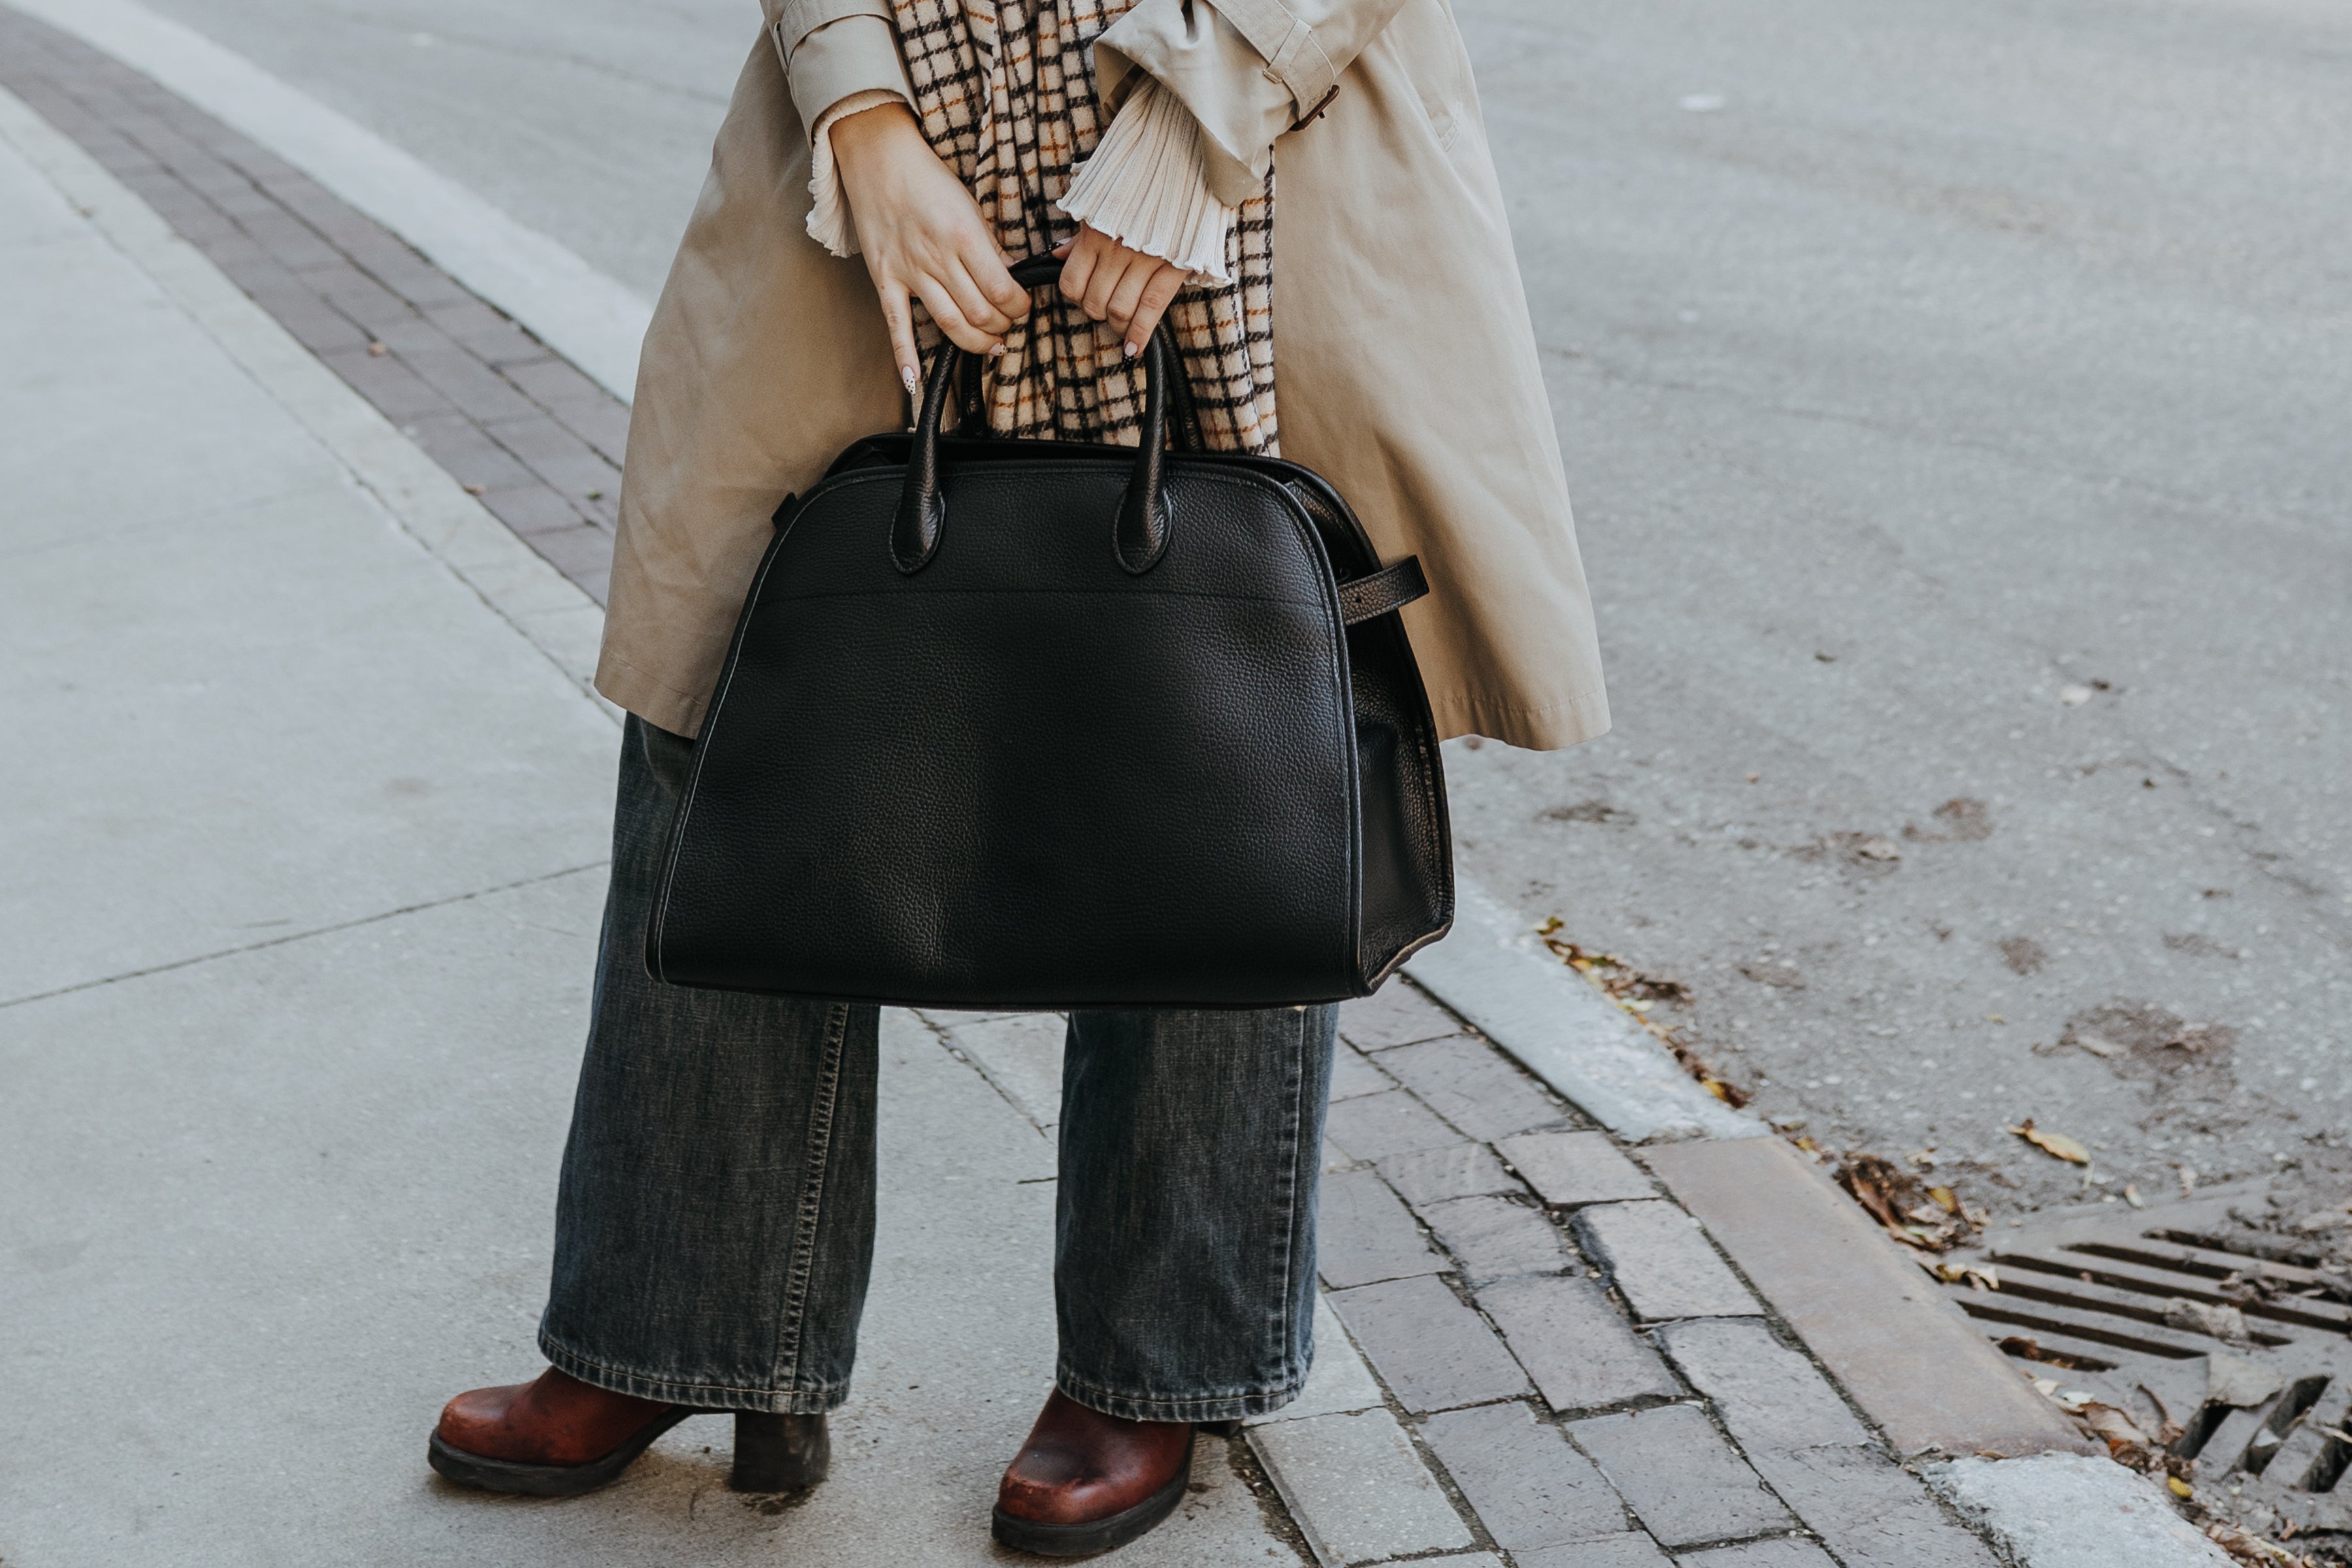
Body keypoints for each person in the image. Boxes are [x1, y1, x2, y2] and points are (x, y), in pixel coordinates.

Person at [429, 0, 1609, 1553]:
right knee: (727, 702)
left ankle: (1155, 1361)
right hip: (891, 119)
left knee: (1224, 731)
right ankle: (676, 1323)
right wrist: (858, 113)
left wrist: (1200, 113)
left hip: (1244, 127)